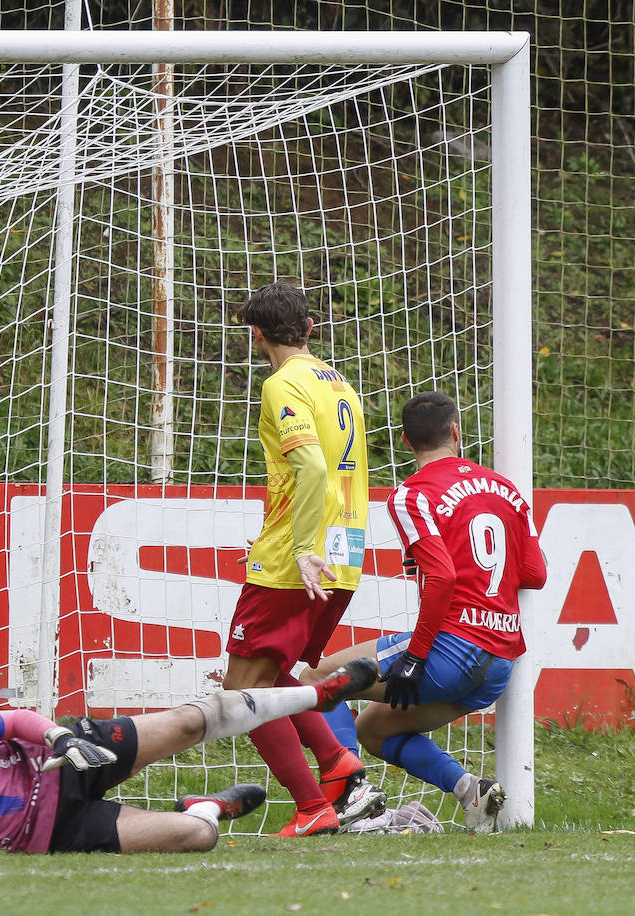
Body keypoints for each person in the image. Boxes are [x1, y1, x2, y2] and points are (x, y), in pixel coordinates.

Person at [0, 657, 377, 856]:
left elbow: (13, 721)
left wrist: (61, 739)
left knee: (187, 720)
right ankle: (205, 807)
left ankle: (319, 693)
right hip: (54, 831)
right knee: (196, 839)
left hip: (66, 761)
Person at [304, 391, 548, 833]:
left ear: (404, 441)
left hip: (448, 653)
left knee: (318, 681)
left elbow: (442, 579)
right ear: (457, 431)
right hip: (498, 662)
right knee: (374, 730)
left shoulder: (410, 494)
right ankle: (470, 792)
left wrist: (415, 656)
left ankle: (350, 801)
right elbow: (536, 573)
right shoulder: (507, 490)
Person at [221, 281, 381, 837]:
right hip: (345, 552)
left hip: (299, 561)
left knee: (241, 691)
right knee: (277, 674)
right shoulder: (339, 383)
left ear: (256, 334)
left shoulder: (281, 384)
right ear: (311, 328)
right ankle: (338, 763)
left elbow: (311, 469)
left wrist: (303, 547)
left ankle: (314, 807)